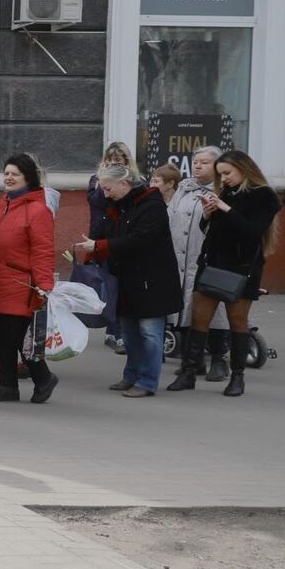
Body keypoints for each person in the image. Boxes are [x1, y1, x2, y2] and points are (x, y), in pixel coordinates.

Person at [171, 150, 282, 397]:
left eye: (228, 173)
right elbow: (211, 230)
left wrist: (225, 208)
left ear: (245, 169)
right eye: (221, 175)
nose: (225, 179)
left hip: (242, 268)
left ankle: (237, 377)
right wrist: (208, 215)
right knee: (198, 318)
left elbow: (253, 233)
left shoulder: (264, 196)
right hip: (212, 263)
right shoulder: (226, 192)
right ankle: (189, 372)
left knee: (237, 322)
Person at [72, 162, 182, 398]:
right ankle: (131, 375)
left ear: (124, 183)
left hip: (152, 280)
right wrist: (95, 247)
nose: (105, 193)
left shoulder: (152, 205)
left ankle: (147, 381)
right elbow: (107, 230)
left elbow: (139, 240)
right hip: (126, 278)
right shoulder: (117, 205)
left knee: (150, 333)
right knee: (129, 332)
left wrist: (99, 246)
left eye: (108, 188)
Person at [0, 154, 59, 405]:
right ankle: (8, 386)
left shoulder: (38, 210)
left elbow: (42, 250)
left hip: (20, 284)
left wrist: (44, 287)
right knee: (1, 335)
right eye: (6, 173)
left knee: (19, 337)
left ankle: (43, 378)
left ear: (28, 178)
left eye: (15, 174)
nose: (9, 178)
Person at [163, 147, 232, 382]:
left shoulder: (224, 190)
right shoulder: (184, 187)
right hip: (180, 258)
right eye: (195, 162)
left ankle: (219, 360)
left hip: (208, 258)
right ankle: (192, 361)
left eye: (204, 162)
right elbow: (171, 215)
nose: (197, 166)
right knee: (184, 307)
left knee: (214, 308)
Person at [85, 142, 135, 352]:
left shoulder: (131, 181)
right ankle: (114, 331)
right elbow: (96, 201)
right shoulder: (97, 180)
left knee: (122, 284)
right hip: (101, 237)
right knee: (110, 284)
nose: (115, 163)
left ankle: (118, 331)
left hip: (122, 237)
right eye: (111, 160)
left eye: (119, 161)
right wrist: (103, 179)